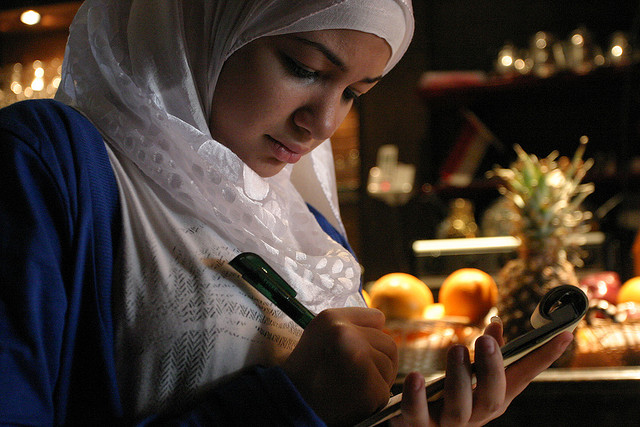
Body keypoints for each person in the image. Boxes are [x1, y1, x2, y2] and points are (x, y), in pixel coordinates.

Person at [0, 0, 572, 425]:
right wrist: (289, 403)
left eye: (354, 93)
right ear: (207, 22)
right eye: (305, 68)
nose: (324, 125)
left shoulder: (303, 224)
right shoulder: (50, 165)